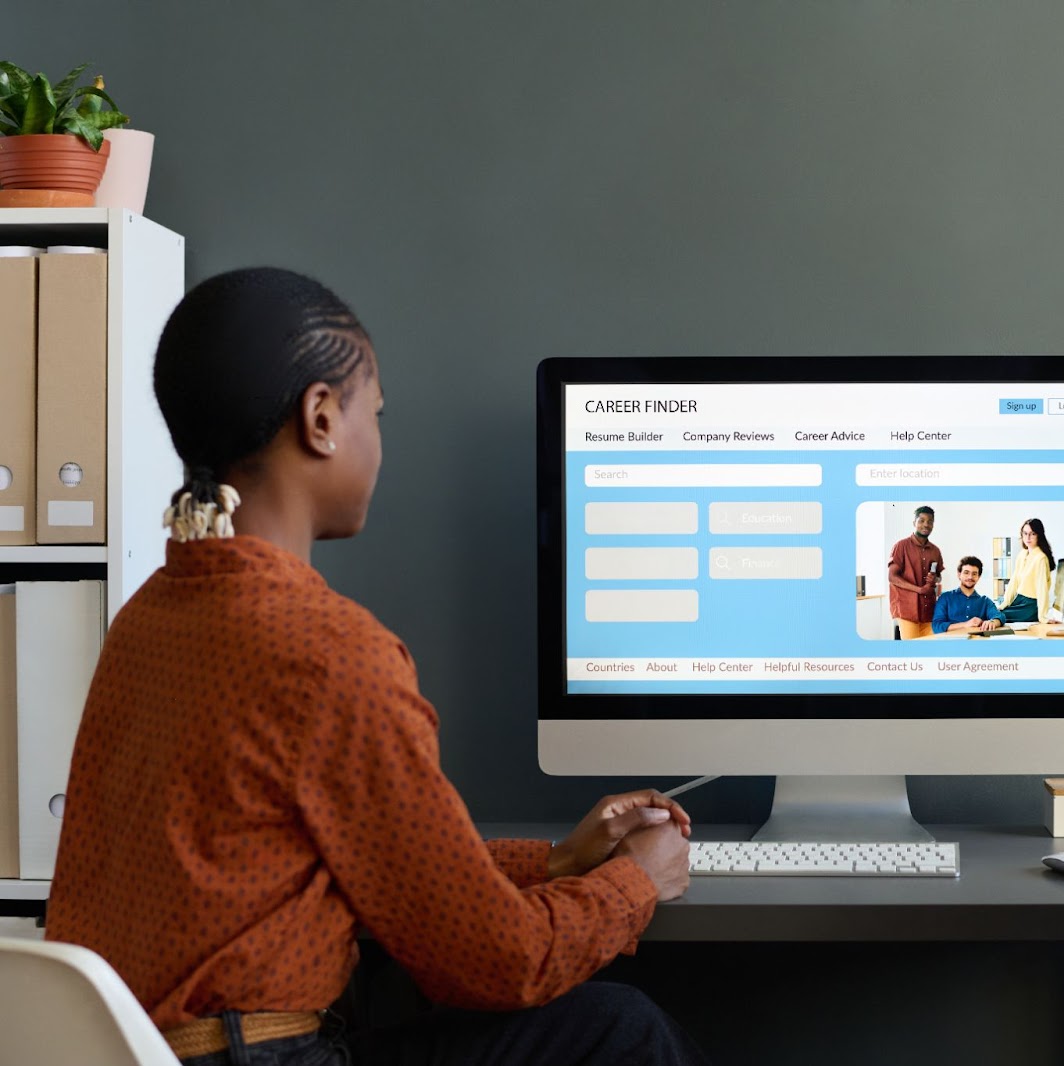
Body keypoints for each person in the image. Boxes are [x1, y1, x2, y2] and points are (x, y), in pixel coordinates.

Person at [45, 268, 707, 1066]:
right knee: (619, 1029)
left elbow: (372, 871)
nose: (380, 443)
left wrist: (561, 862)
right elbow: (498, 960)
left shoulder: (147, 620)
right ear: (321, 418)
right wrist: (636, 881)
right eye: (377, 415)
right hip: (260, 1058)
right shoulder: (328, 652)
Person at [887, 505, 944, 639]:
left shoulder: (935, 550)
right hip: (907, 610)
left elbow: (939, 577)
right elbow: (892, 576)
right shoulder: (901, 546)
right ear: (914, 523)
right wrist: (919, 589)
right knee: (912, 651)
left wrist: (935, 578)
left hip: (929, 611)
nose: (926, 524)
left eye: (930, 521)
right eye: (921, 520)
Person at [995, 518, 1054, 623]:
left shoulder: (1041, 558)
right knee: (993, 612)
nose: (1028, 537)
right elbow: (1014, 582)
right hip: (1019, 599)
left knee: (996, 617)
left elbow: (1042, 589)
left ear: (1039, 535)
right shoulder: (1022, 554)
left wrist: (1043, 617)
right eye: (1025, 533)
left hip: (1031, 605)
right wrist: (1005, 603)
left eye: (1032, 534)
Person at [931, 556, 1004, 634]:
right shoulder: (945, 598)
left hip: (976, 643)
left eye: (974, 574)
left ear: (978, 577)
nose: (970, 577)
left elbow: (1000, 616)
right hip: (951, 643)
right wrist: (965, 624)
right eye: (966, 573)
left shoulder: (985, 601)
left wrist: (993, 622)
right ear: (959, 575)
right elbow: (937, 626)